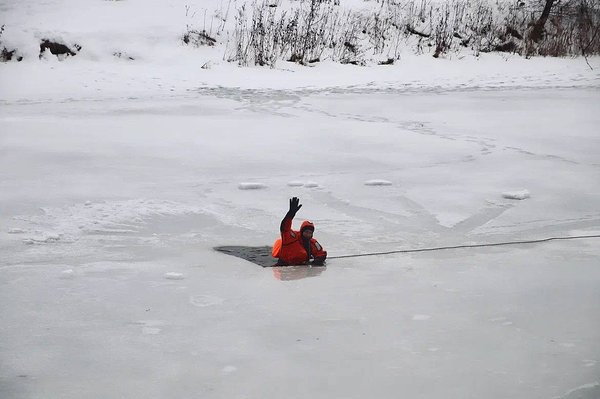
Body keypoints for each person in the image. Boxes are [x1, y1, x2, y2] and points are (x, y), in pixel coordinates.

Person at [275, 197, 327, 266]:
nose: (308, 234)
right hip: (284, 266)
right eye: (306, 232)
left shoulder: (313, 242)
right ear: (302, 231)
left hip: (301, 269)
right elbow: (285, 228)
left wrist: (318, 260)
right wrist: (290, 214)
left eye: (310, 233)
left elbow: (321, 253)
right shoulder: (291, 237)